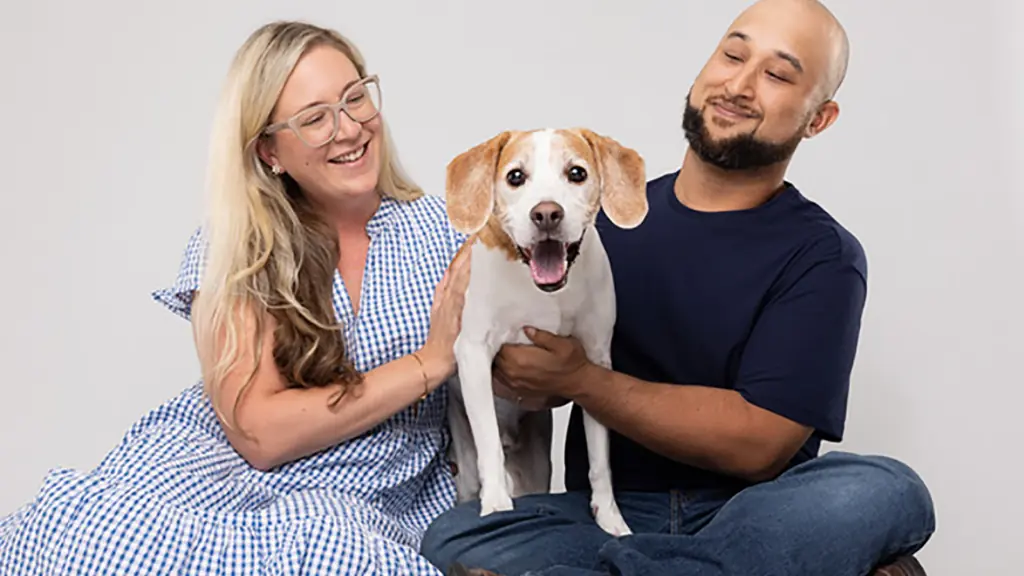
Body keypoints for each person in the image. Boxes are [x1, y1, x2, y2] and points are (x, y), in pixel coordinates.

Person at [420, 1, 935, 575]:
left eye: (777, 74)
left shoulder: (824, 256)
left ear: (819, 118)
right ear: (701, 72)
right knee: (452, 536)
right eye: (732, 54)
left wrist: (583, 380)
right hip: (605, 515)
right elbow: (538, 376)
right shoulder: (590, 227)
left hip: (752, 512)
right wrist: (514, 365)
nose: (739, 84)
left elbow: (759, 445)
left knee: (883, 490)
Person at [0, 21, 471, 575]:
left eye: (355, 98)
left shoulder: (448, 230)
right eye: (315, 119)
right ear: (269, 150)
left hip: (372, 492)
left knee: (329, 550)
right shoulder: (238, 248)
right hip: (216, 472)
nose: (349, 129)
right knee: (76, 535)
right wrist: (430, 363)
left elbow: (521, 370)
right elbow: (261, 434)